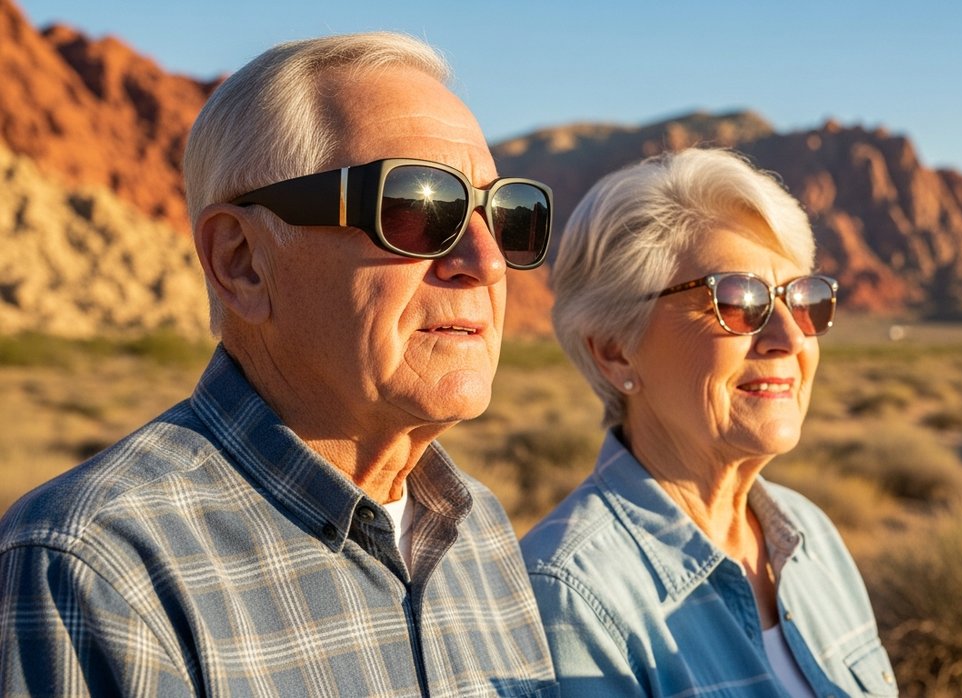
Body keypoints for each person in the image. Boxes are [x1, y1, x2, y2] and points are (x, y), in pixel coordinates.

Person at [0, 33, 558, 697]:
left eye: (506, 216)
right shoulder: (99, 566)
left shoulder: (480, 528)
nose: (487, 261)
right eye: (417, 209)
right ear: (241, 262)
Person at [521, 148, 898, 697]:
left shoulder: (809, 534)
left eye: (803, 300)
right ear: (614, 351)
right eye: (739, 299)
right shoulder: (571, 597)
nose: (790, 340)